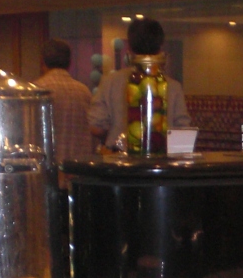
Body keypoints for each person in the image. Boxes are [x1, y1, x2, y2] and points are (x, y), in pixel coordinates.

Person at [89, 18, 191, 150]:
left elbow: (96, 127)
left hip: (118, 156)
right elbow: (183, 130)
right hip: (160, 156)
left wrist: (115, 135)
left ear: (129, 47)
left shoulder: (110, 82)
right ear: (160, 47)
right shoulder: (172, 86)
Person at [34, 39, 94, 170]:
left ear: (42, 62)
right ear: (69, 63)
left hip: (47, 170)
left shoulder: (36, 91)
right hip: (79, 170)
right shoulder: (84, 92)